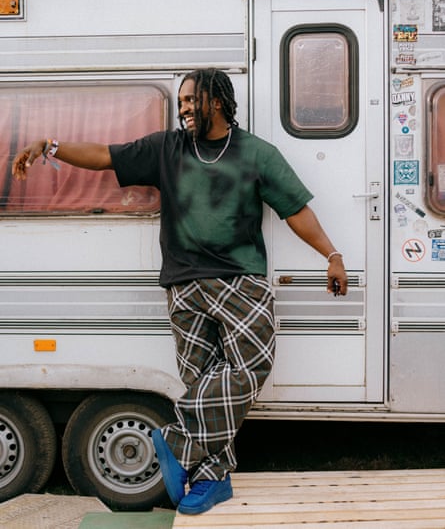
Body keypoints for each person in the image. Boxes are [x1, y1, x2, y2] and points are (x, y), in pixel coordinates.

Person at [12, 68, 348, 515]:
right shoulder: (166, 148)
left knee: (252, 365)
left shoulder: (255, 153)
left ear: (218, 101)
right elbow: (104, 156)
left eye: (192, 100)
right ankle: (213, 478)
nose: (185, 108)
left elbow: (295, 210)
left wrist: (332, 254)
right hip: (184, 285)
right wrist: (50, 146)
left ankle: (176, 440)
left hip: (239, 281)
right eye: (182, 101)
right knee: (201, 380)